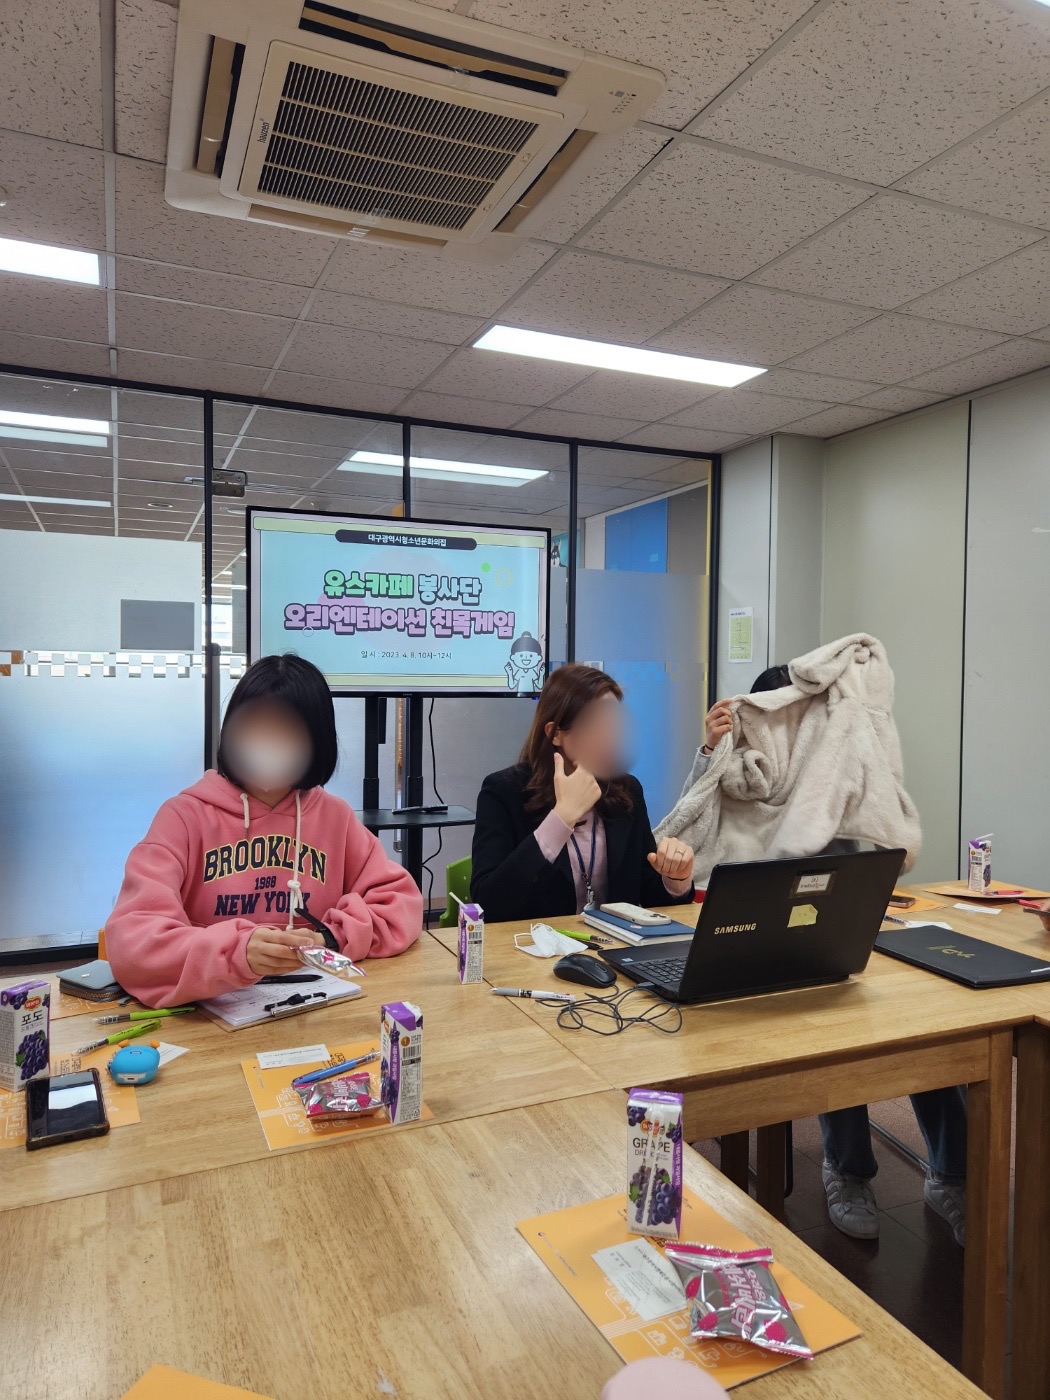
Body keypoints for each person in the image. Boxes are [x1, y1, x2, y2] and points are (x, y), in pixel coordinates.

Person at [690, 664, 967, 1246]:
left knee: (930, 1029)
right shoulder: (741, 770)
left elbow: (861, 867)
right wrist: (710, 751)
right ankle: (848, 1170)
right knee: (834, 1036)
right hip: (757, 952)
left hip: (836, 939)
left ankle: (952, 1176)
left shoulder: (832, 772)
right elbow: (694, 829)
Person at [106, 654, 422, 1007]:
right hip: (209, 1012)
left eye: (288, 730)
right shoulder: (183, 817)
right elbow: (134, 940)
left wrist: (328, 939)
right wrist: (236, 952)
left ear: (317, 741)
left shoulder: (335, 817)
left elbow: (399, 905)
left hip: (316, 1005)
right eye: (254, 725)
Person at [471, 664, 696, 922]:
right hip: (534, 943)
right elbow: (488, 904)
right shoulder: (504, 791)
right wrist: (561, 818)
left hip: (612, 942)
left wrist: (675, 878)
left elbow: (649, 896)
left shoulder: (627, 791)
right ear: (555, 733)